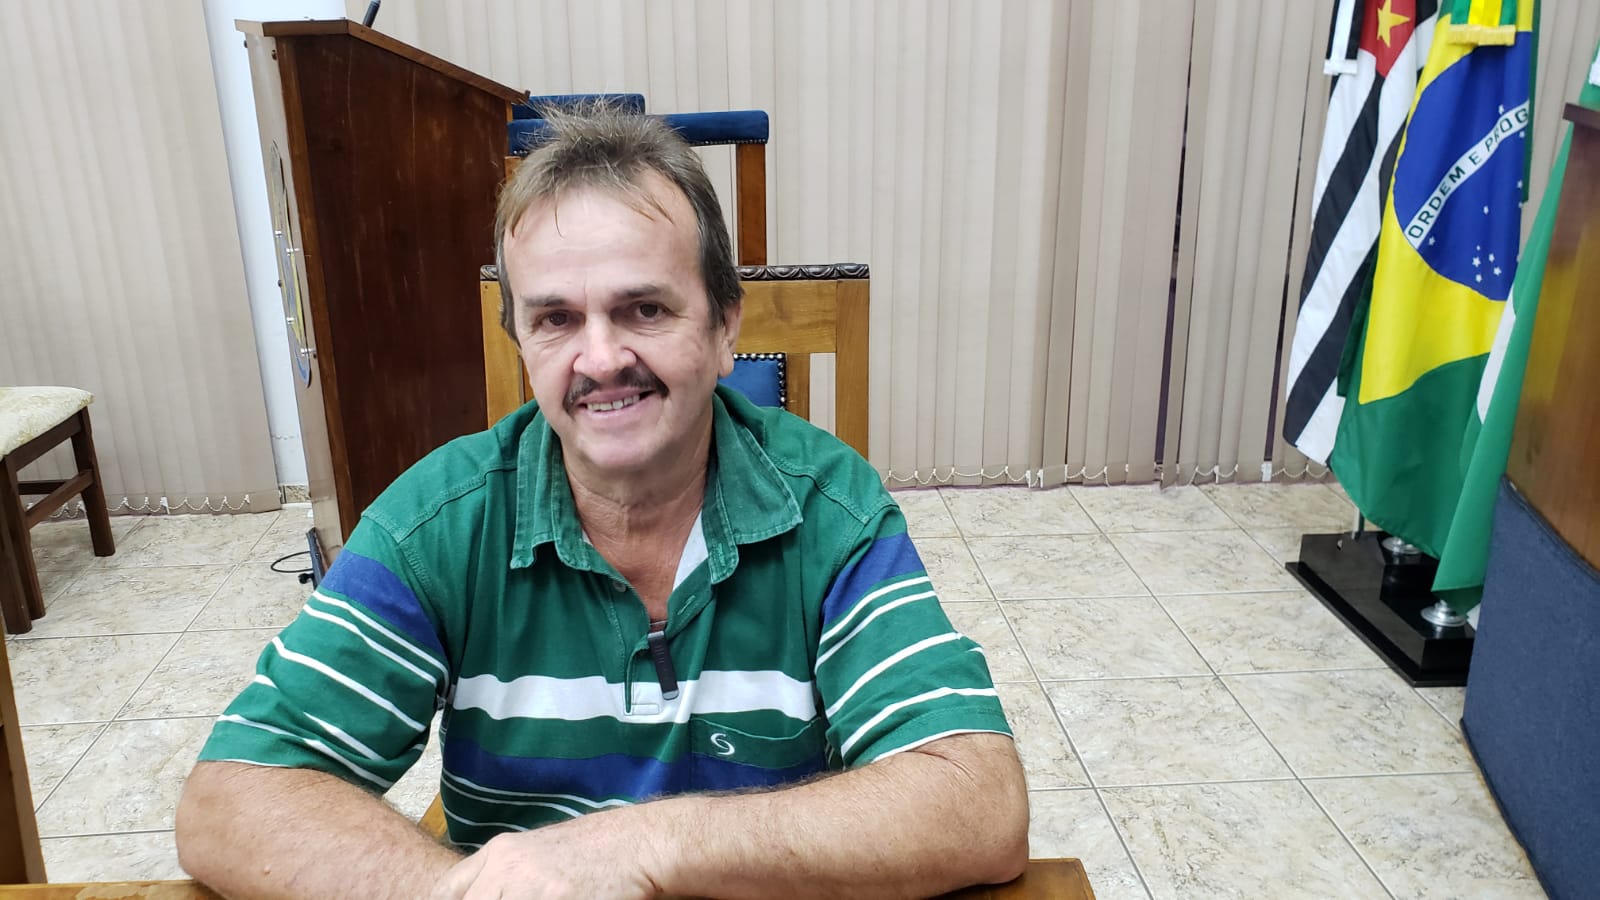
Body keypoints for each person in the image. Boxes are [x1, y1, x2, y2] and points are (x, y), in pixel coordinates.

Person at [175, 105, 1028, 899]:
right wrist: (457, 894)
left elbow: (978, 802)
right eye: (555, 319)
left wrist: (638, 847)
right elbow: (229, 798)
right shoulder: (437, 524)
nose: (600, 358)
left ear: (726, 326)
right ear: (521, 342)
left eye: (644, 308)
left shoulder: (830, 508)